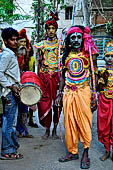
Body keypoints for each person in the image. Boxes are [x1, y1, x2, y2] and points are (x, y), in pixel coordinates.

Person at [56, 25, 98, 169]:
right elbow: (62, 76)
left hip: (83, 91)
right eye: (72, 37)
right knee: (69, 123)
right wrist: (59, 93)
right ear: (69, 40)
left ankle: (86, 153)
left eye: (79, 37)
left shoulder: (89, 54)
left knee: (85, 123)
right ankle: (73, 151)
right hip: (68, 93)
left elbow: (94, 75)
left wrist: (94, 95)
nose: (75, 40)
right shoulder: (66, 56)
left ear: (82, 39)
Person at [34, 11, 63, 139]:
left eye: (53, 28)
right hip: (44, 78)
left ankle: (55, 129)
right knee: (44, 103)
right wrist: (37, 80)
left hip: (57, 78)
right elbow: (38, 63)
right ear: (46, 30)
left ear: (56, 29)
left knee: (57, 104)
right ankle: (46, 129)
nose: (51, 30)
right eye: (49, 28)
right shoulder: (41, 45)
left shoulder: (61, 45)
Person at [0, 27, 23, 159]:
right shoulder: (7, 55)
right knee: (9, 123)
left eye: (16, 39)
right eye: (12, 40)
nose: (15, 42)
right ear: (5, 41)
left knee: (10, 121)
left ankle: (11, 148)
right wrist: (11, 86)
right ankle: (7, 151)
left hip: (12, 91)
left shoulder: (10, 54)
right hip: (9, 93)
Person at [97, 40, 113, 161]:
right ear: (104, 56)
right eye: (107, 56)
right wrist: (100, 82)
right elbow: (97, 89)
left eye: (112, 56)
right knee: (104, 126)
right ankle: (107, 151)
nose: (110, 58)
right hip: (103, 100)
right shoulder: (101, 71)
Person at [16, 28, 33, 138]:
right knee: (16, 110)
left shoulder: (29, 57)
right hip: (15, 85)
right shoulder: (13, 56)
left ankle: (24, 130)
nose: (22, 44)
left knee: (24, 109)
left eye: (24, 42)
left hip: (25, 85)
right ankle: (19, 131)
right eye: (20, 41)